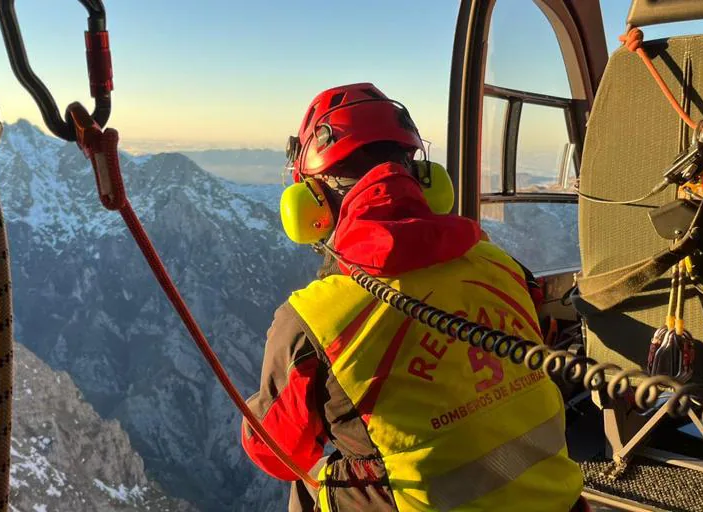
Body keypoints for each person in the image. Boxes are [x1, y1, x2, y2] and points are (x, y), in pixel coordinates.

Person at [241, 83, 586, 511]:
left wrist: (261, 403)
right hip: (564, 504)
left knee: (312, 487)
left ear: (315, 205)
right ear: (426, 183)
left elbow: (277, 453)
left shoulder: (313, 321)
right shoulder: (501, 266)